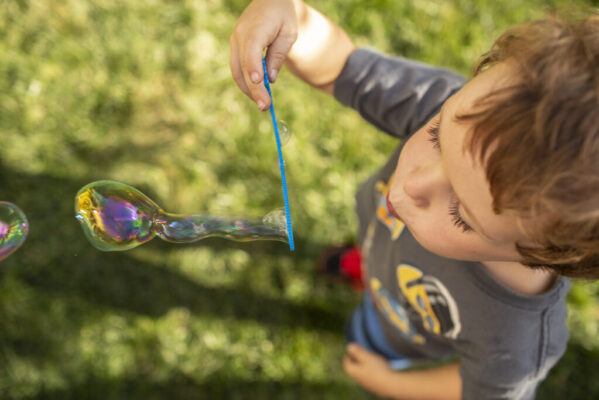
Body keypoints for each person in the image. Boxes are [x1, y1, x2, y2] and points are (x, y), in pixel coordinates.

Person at [230, 1, 599, 399]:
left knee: (366, 331)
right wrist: (289, 19)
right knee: (373, 254)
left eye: (461, 214)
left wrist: (388, 381)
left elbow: (477, 391)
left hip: (401, 329)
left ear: (544, 254)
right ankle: (361, 267)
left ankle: (368, 314)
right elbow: (342, 65)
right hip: (381, 239)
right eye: (438, 134)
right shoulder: (454, 106)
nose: (408, 186)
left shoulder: (518, 340)